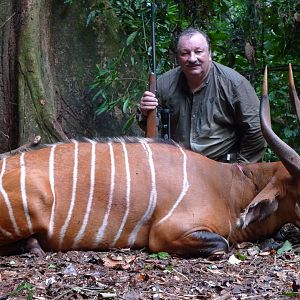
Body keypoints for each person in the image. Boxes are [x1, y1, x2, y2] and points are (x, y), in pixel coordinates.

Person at [137, 27, 266, 163]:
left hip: (221, 166)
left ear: (209, 54)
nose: (192, 59)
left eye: (198, 52)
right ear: (178, 58)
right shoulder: (163, 84)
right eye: (185, 53)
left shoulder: (234, 84)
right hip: (178, 166)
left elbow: (257, 131)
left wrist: (241, 168)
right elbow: (151, 128)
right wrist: (146, 113)